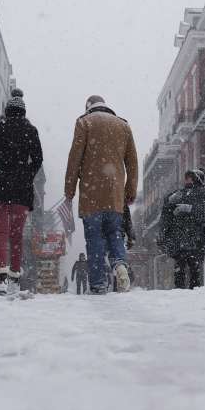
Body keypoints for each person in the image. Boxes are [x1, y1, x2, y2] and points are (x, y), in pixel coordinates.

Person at [63, 95, 138, 295]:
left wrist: (69, 190)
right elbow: (132, 163)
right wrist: (130, 191)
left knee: (94, 238)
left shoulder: (84, 123)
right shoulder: (123, 126)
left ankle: (97, 284)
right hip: (115, 195)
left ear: (88, 107)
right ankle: (120, 265)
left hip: (91, 194)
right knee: (114, 234)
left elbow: (74, 158)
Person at [0, 88, 43, 296]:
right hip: (21, 190)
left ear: (7, 109)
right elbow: (38, 159)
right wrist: (26, 174)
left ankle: (0, 279)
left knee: (0, 233)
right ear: (23, 111)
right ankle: (14, 277)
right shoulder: (30, 130)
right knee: (16, 235)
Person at [158, 168, 205, 290]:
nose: (187, 180)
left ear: (196, 179)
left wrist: (189, 208)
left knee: (193, 268)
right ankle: (180, 290)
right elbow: (166, 213)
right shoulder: (177, 194)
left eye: (190, 178)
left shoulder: (202, 193)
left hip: (194, 239)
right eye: (186, 178)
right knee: (181, 267)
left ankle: (193, 291)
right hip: (180, 239)